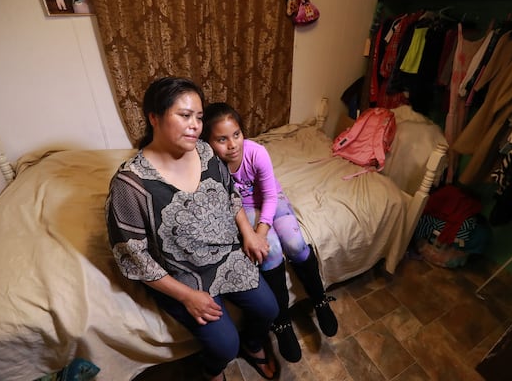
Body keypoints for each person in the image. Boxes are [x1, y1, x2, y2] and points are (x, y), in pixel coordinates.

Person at [106, 78, 281, 381]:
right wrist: (186, 296)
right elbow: (134, 257)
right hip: (181, 274)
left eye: (199, 117)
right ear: (154, 117)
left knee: (269, 308)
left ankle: (254, 345)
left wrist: (250, 233)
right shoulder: (130, 185)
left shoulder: (207, 153)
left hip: (227, 255)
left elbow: (230, 197)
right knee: (225, 345)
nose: (196, 125)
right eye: (185, 115)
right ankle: (212, 371)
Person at [201, 102, 338, 363]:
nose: (232, 144)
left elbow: (270, 197)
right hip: (245, 208)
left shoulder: (257, 152)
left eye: (237, 134)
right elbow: (230, 205)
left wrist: (261, 230)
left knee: (295, 244)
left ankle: (319, 299)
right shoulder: (212, 167)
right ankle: (282, 321)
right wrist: (258, 237)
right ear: (208, 141)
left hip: (272, 199)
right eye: (221, 139)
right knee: (271, 252)